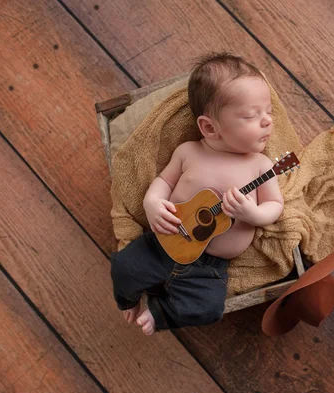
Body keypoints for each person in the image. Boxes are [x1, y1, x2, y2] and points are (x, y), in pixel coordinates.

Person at [110, 52, 284, 335]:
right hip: (164, 242)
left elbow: (275, 205)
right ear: (209, 127)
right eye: (252, 115)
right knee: (123, 267)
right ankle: (127, 298)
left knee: (209, 308)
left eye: (269, 112)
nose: (267, 121)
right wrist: (152, 202)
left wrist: (252, 214)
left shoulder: (262, 166)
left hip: (209, 267)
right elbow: (163, 181)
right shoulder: (189, 152)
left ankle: (161, 312)